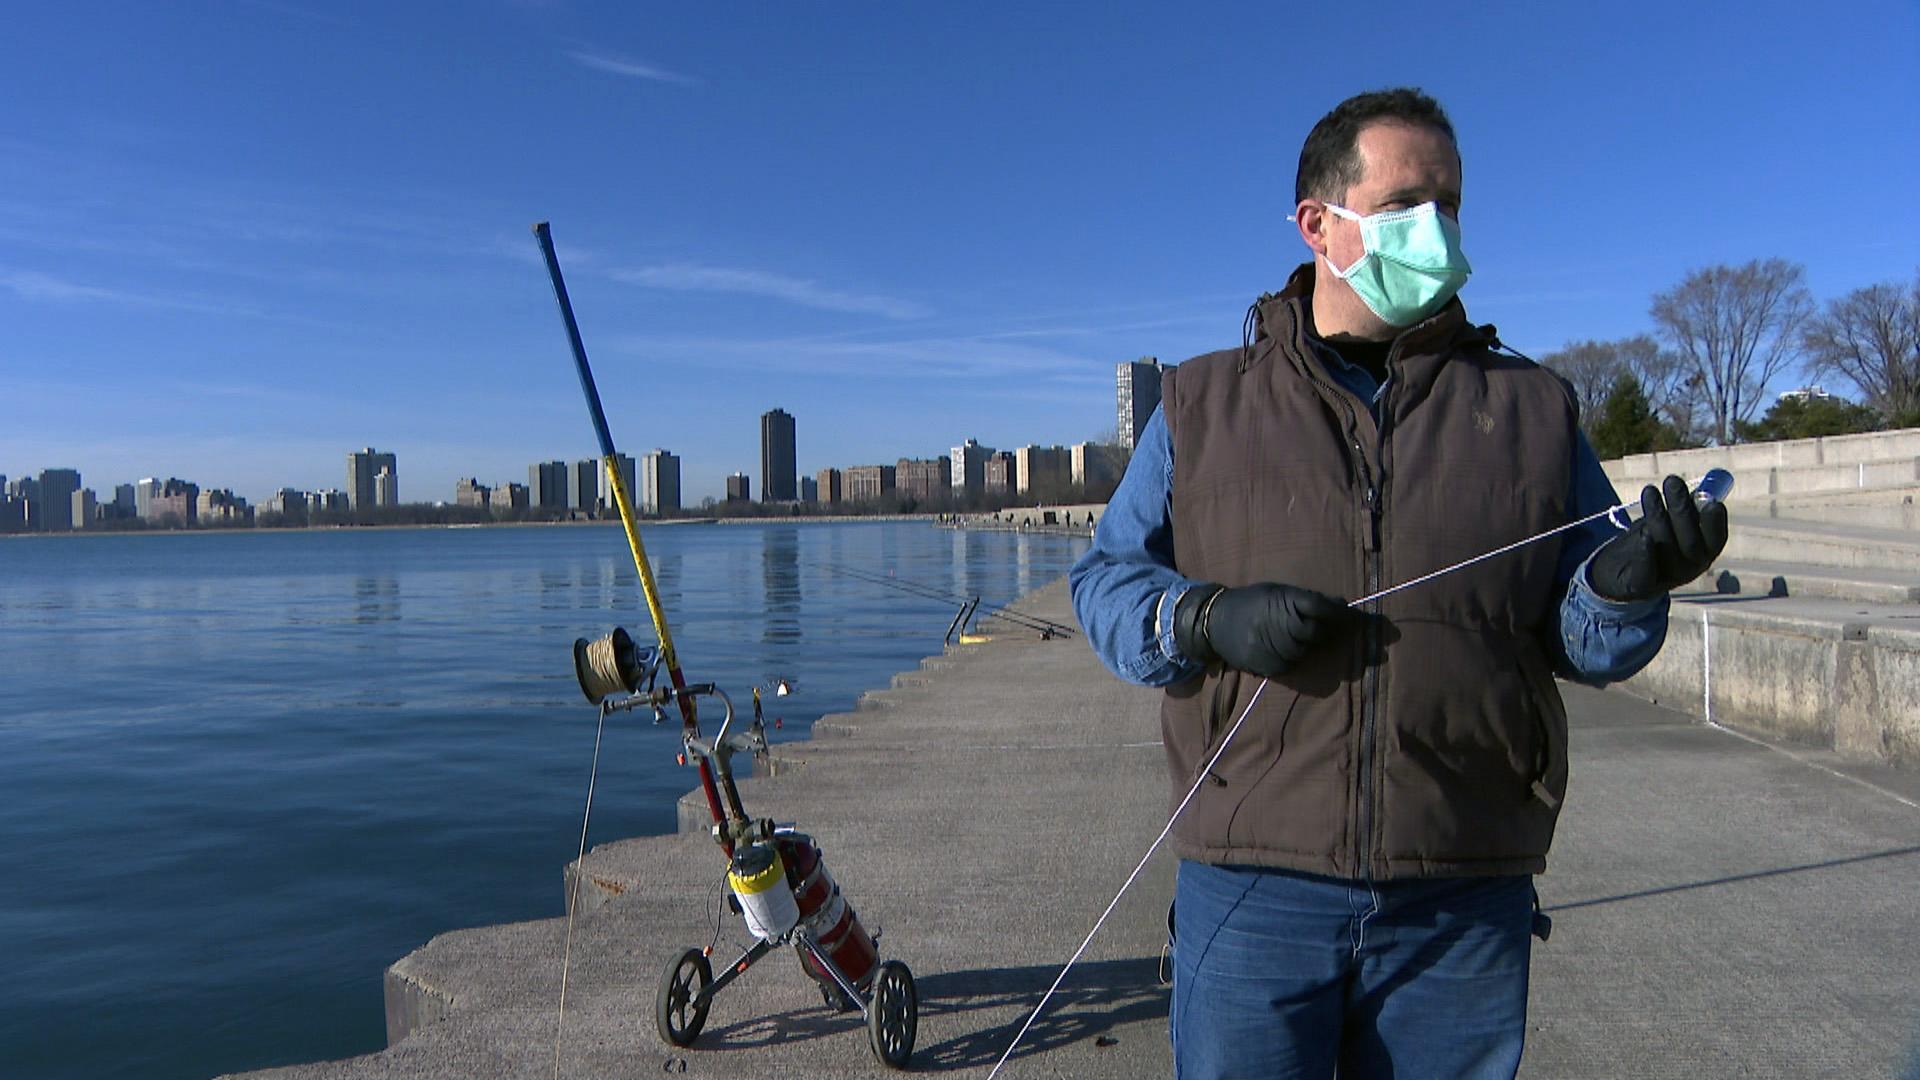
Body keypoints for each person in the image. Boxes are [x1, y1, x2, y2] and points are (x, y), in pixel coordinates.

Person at [1069, 88, 1727, 1080]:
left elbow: (1585, 635)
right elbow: (1106, 585)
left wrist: (1633, 581)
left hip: (1462, 895)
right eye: (1410, 204)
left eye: (1452, 206)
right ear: (1318, 225)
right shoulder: (1200, 402)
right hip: (1252, 888)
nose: (1441, 231)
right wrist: (1203, 617)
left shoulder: (1535, 408)